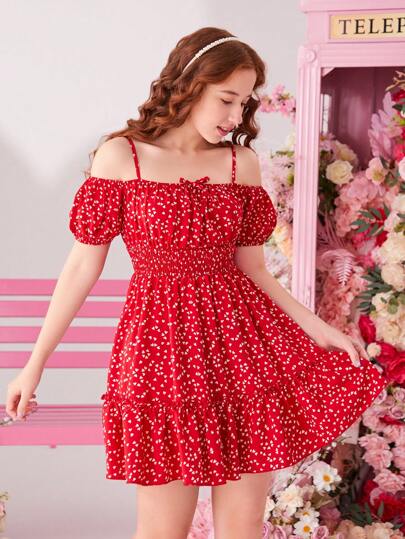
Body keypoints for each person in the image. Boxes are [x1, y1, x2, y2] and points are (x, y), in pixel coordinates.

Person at [6, 27, 388, 539]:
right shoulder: (122, 156)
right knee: (161, 531)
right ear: (188, 84)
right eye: (226, 99)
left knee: (242, 527)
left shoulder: (239, 163)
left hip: (242, 350)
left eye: (244, 102)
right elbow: (81, 267)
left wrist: (320, 330)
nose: (235, 116)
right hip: (158, 354)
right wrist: (34, 365)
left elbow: (254, 271)